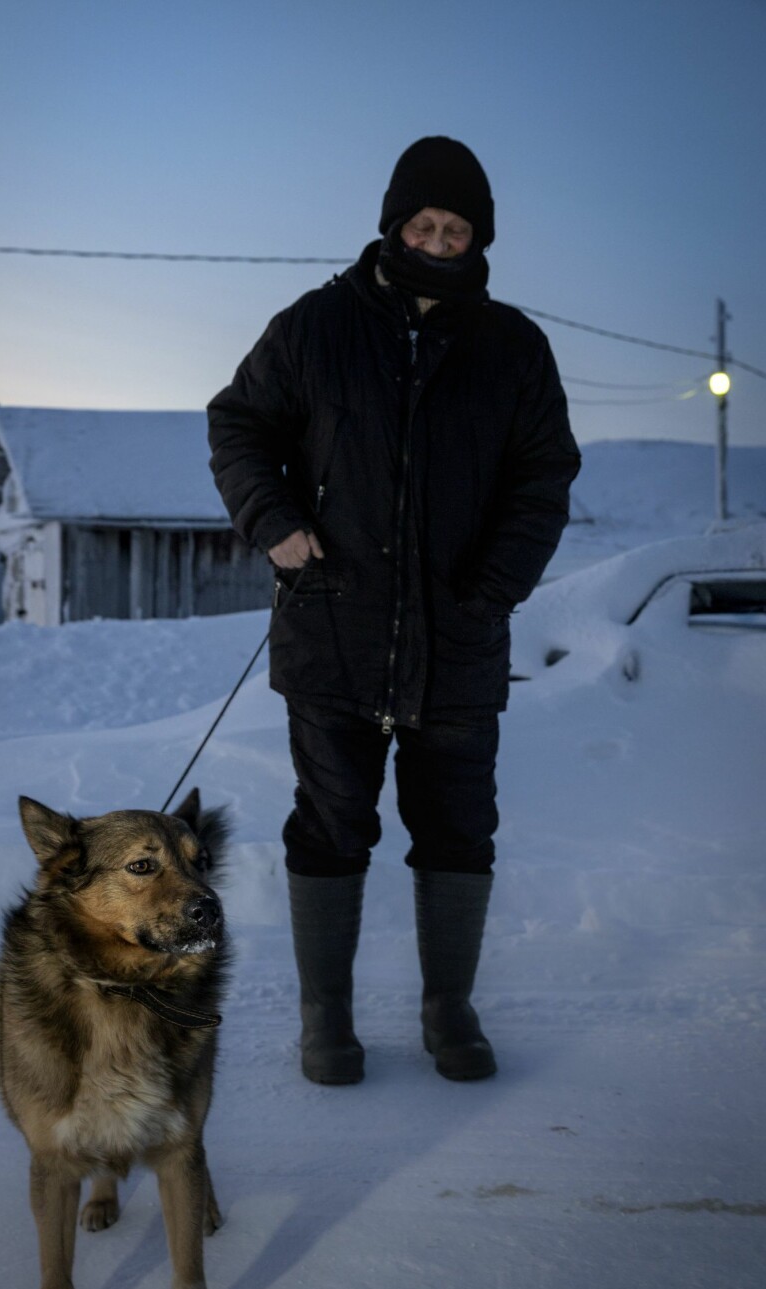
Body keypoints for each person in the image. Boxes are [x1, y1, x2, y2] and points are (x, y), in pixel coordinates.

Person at [207, 136, 581, 1086]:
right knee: (331, 825)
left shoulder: (512, 348)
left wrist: (495, 586)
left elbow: (544, 478)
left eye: (458, 230)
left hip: (459, 636)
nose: (441, 241)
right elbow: (237, 424)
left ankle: (448, 1007)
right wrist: (276, 522)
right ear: (393, 224)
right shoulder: (316, 327)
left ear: (478, 238)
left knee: (459, 827)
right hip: (332, 626)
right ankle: (324, 1016)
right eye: (426, 224)